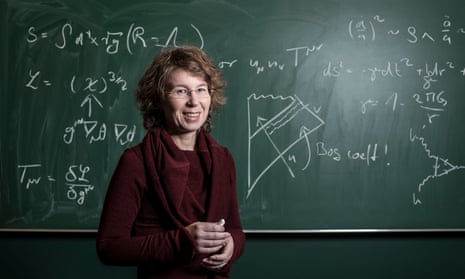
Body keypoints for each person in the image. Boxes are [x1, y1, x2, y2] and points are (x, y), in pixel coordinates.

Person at [96, 45, 245, 279]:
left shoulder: (223, 159)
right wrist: (182, 241)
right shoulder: (136, 161)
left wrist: (233, 245)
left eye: (201, 89)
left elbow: (235, 229)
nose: (194, 102)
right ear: (158, 99)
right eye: (181, 91)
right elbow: (109, 248)